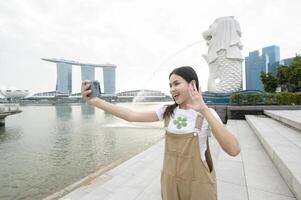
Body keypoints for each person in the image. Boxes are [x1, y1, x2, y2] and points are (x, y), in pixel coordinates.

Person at [81, 66, 240, 200]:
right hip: (170, 181)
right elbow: (131, 115)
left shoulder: (207, 113)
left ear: (192, 84)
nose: (172, 89)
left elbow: (233, 150)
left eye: (176, 83)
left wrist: (204, 110)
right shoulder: (167, 111)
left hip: (198, 183)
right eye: (170, 85)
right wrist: (96, 102)